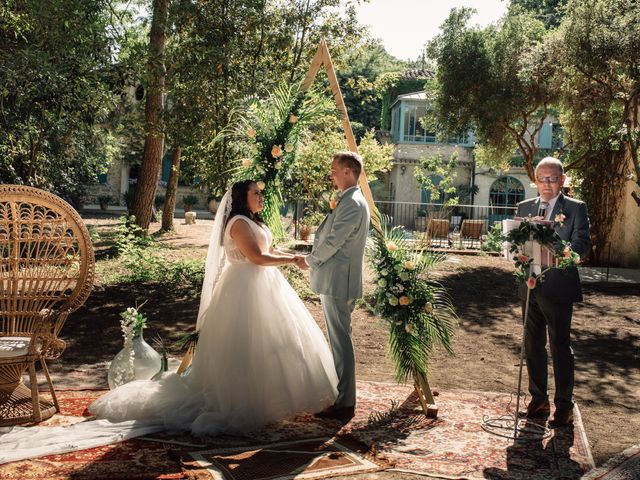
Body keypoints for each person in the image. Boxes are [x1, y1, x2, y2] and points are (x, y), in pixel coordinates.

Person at [0, 180, 338, 464]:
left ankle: (269, 396)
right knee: (245, 343)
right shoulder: (237, 223)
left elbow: (271, 248)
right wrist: (291, 262)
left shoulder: (256, 221)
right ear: (240, 197)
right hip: (245, 289)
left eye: (261, 193)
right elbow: (256, 257)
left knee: (271, 343)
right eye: (256, 193)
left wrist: (292, 256)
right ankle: (239, 400)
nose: (261, 197)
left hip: (265, 286)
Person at [516, 157, 590, 427]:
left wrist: (551, 236)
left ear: (562, 180)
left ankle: (563, 406)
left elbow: (582, 245)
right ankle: (538, 399)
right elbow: (517, 245)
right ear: (535, 180)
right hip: (529, 285)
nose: (546, 183)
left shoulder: (575, 208)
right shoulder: (525, 207)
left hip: (558, 287)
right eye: (541, 178)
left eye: (552, 178)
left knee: (559, 346)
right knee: (532, 344)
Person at [297, 152, 370, 422]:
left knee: (340, 342)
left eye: (335, 170)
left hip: (339, 281)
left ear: (349, 171)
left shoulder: (352, 203)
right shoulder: (350, 200)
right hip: (338, 279)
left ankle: (344, 403)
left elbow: (334, 241)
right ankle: (343, 398)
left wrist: (310, 260)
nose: (332, 175)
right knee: (341, 339)